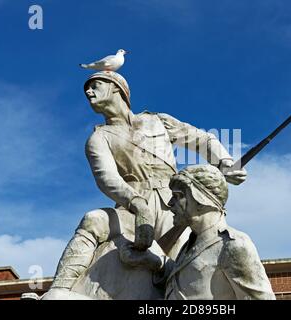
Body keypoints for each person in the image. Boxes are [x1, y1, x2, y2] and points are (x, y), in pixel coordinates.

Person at [43, 71, 247, 299]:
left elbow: (201, 139)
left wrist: (225, 162)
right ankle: (59, 289)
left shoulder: (157, 120)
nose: (89, 92)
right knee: (94, 219)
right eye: (87, 90)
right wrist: (137, 205)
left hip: (176, 203)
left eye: (96, 86)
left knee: (183, 258)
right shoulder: (99, 138)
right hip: (131, 205)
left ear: (116, 88)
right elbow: (107, 178)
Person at [121, 165, 275, 300]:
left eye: (178, 196)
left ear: (201, 199)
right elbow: (187, 282)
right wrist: (154, 261)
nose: (170, 204)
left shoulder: (233, 246)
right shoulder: (188, 247)